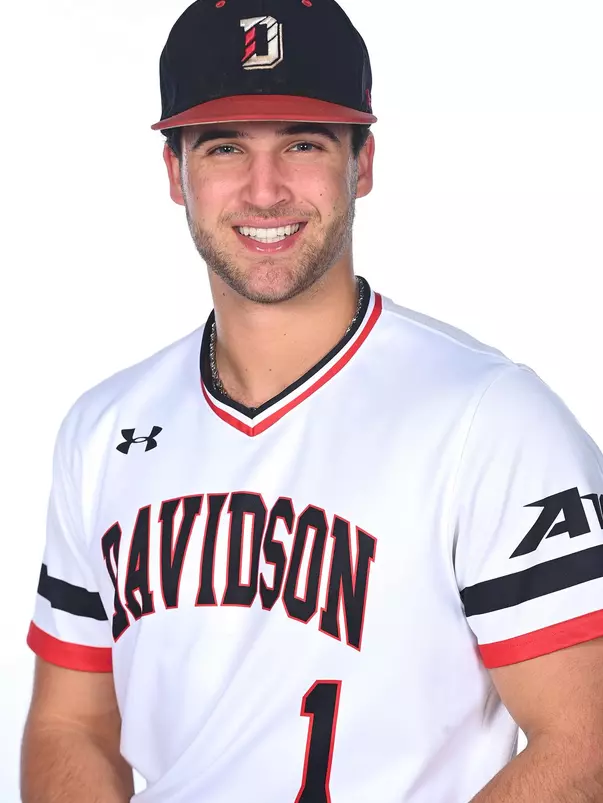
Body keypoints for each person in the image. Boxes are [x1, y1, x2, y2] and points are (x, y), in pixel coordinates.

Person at [20, 0, 603, 801]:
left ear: (361, 164)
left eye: (302, 143)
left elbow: (586, 739)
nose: (264, 190)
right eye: (225, 147)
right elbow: (70, 726)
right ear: (174, 173)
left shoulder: (491, 419)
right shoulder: (104, 428)